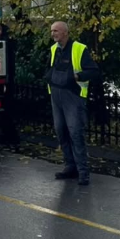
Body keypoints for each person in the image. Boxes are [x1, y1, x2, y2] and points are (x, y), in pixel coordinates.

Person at [43, 21, 101, 185]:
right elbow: (49, 68)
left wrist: (76, 77)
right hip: (56, 95)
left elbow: (94, 71)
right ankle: (70, 167)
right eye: (52, 31)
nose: (53, 34)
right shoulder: (54, 49)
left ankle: (83, 172)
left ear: (65, 33)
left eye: (56, 31)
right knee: (61, 131)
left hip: (73, 95)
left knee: (75, 133)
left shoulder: (79, 49)